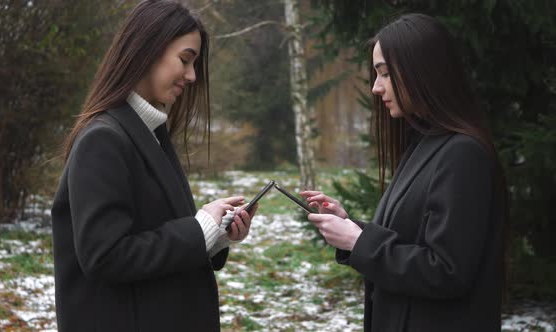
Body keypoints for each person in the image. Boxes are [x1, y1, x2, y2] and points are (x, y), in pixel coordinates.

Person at [50, 1, 256, 331]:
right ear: (147, 49)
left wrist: (215, 236)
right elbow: (105, 255)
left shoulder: (149, 133)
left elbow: (155, 231)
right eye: (185, 59)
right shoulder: (102, 140)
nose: (191, 76)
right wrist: (198, 229)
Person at [301, 13, 507, 332]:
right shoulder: (426, 143)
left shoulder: (463, 154)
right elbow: (412, 239)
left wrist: (360, 242)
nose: (375, 87)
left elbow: (448, 271)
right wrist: (350, 227)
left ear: (420, 71)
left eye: (384, 73)